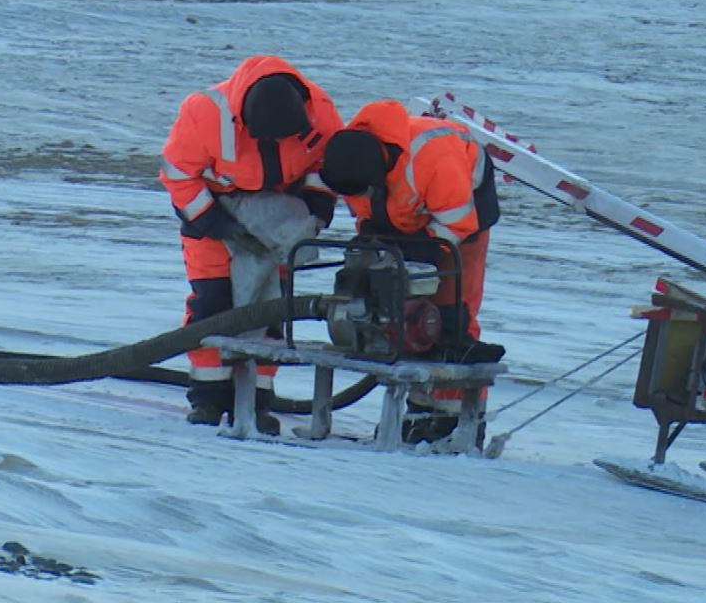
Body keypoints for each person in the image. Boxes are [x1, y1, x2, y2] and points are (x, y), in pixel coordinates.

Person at [159, 55, 343, 434]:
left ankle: (258, 397)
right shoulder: (204, 113)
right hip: (215, 215)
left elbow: (326, 171)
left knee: (270, 309)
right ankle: (210, 397)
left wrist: (313, 215)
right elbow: (178, 175)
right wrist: (217, 224)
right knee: (213, 304)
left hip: (277, 222)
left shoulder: (321, 112)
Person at [319, 99, 504, 443]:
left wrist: (419, 257)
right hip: (405, 211)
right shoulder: (350, 163)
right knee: (399, 310)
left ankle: (453, 418)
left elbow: (457, 224)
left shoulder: (435, 156)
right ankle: (418, 409)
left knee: (448, 311)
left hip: (462, 213)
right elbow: (366, 217)